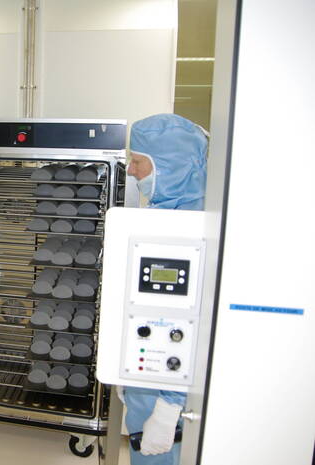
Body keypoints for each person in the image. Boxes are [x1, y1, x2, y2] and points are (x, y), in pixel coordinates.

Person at [124, 113, 208, 465]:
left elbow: (192, 326)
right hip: (149, 378)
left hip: (166, 394)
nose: (131, 171)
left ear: (170, 167)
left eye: (137, 162)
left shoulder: (198, 231)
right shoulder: (166, 217)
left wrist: (170, 406)